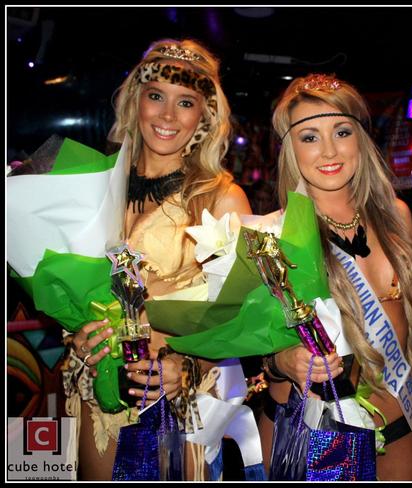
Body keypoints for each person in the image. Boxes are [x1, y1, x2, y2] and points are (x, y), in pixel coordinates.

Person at [62, 38, 252, 480]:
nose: (167, 116)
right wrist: (78, 335)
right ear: (135, 102)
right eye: (155, 96)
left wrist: (187, 366)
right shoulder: (94, 189)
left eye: (185, 102)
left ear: (203, 116)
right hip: (94, 399)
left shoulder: (220, 199)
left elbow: (236, 322)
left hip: (174, 405)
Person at [255, 73, 412, 480]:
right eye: (310, 137)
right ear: (290, 150)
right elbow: (257, 342)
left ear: (360, 139)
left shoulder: (397, 218)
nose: (329, 150)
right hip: (315, 426)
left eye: (342, 131)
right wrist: (285, 360)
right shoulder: (272, 235)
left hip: (400, 419)